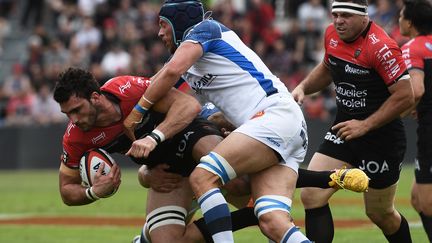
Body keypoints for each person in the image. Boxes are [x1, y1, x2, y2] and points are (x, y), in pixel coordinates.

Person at [53, 68, 367, 243]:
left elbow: (187, 106)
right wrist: (96, 191)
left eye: (77, 110)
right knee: (170, 241)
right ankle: (248, 215)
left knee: (240, 184)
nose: (74, 119)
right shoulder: (75, 137)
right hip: (169, 171)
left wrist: (154, 137)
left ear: (95, 97)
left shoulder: (127, 89)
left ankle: (332, 176)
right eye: (68, 113)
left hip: (191, 135)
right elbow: (66, 191)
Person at [124, 0, 314, 242]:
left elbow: (168, 74)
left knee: (203, 177)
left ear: (179, 22)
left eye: (163, 25)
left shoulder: (206, 29)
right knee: (272, 221)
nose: (159, 33)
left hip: (275, 115)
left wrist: (136, 112)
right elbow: (159, 84)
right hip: (285, 128)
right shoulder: (191, 67)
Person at [291, 0, 414, 242]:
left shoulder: (382, 48)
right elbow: (328, 67)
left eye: (345, 15)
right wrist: (304, 87)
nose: (338, 21)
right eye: (335, 14)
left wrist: (365, 125)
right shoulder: (332, 35)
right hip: (344, 129)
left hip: (381, 139)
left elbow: (405, 96)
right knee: (312, 195)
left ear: (363, 16)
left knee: (380, 214)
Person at [399, 0, 432, 241]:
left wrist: (394, 113)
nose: (399, 20)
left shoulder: (412, 47)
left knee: (427, 203)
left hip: (430, 130)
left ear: (410, 22)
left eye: (401, 16)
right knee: (416, 198)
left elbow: (417, 90)